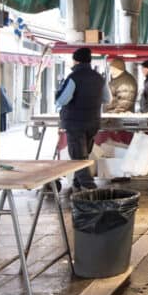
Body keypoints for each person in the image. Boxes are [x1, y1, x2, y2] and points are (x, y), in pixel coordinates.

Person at [56, 48, 111, 190]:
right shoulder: (99, 77)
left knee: (78, 158)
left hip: (75, 123)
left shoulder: (73, 77)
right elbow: (107, 99)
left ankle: (90, 190)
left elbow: (62, 100)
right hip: (93, 122)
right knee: (83, 154)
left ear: (76, 60)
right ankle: (77, 183)